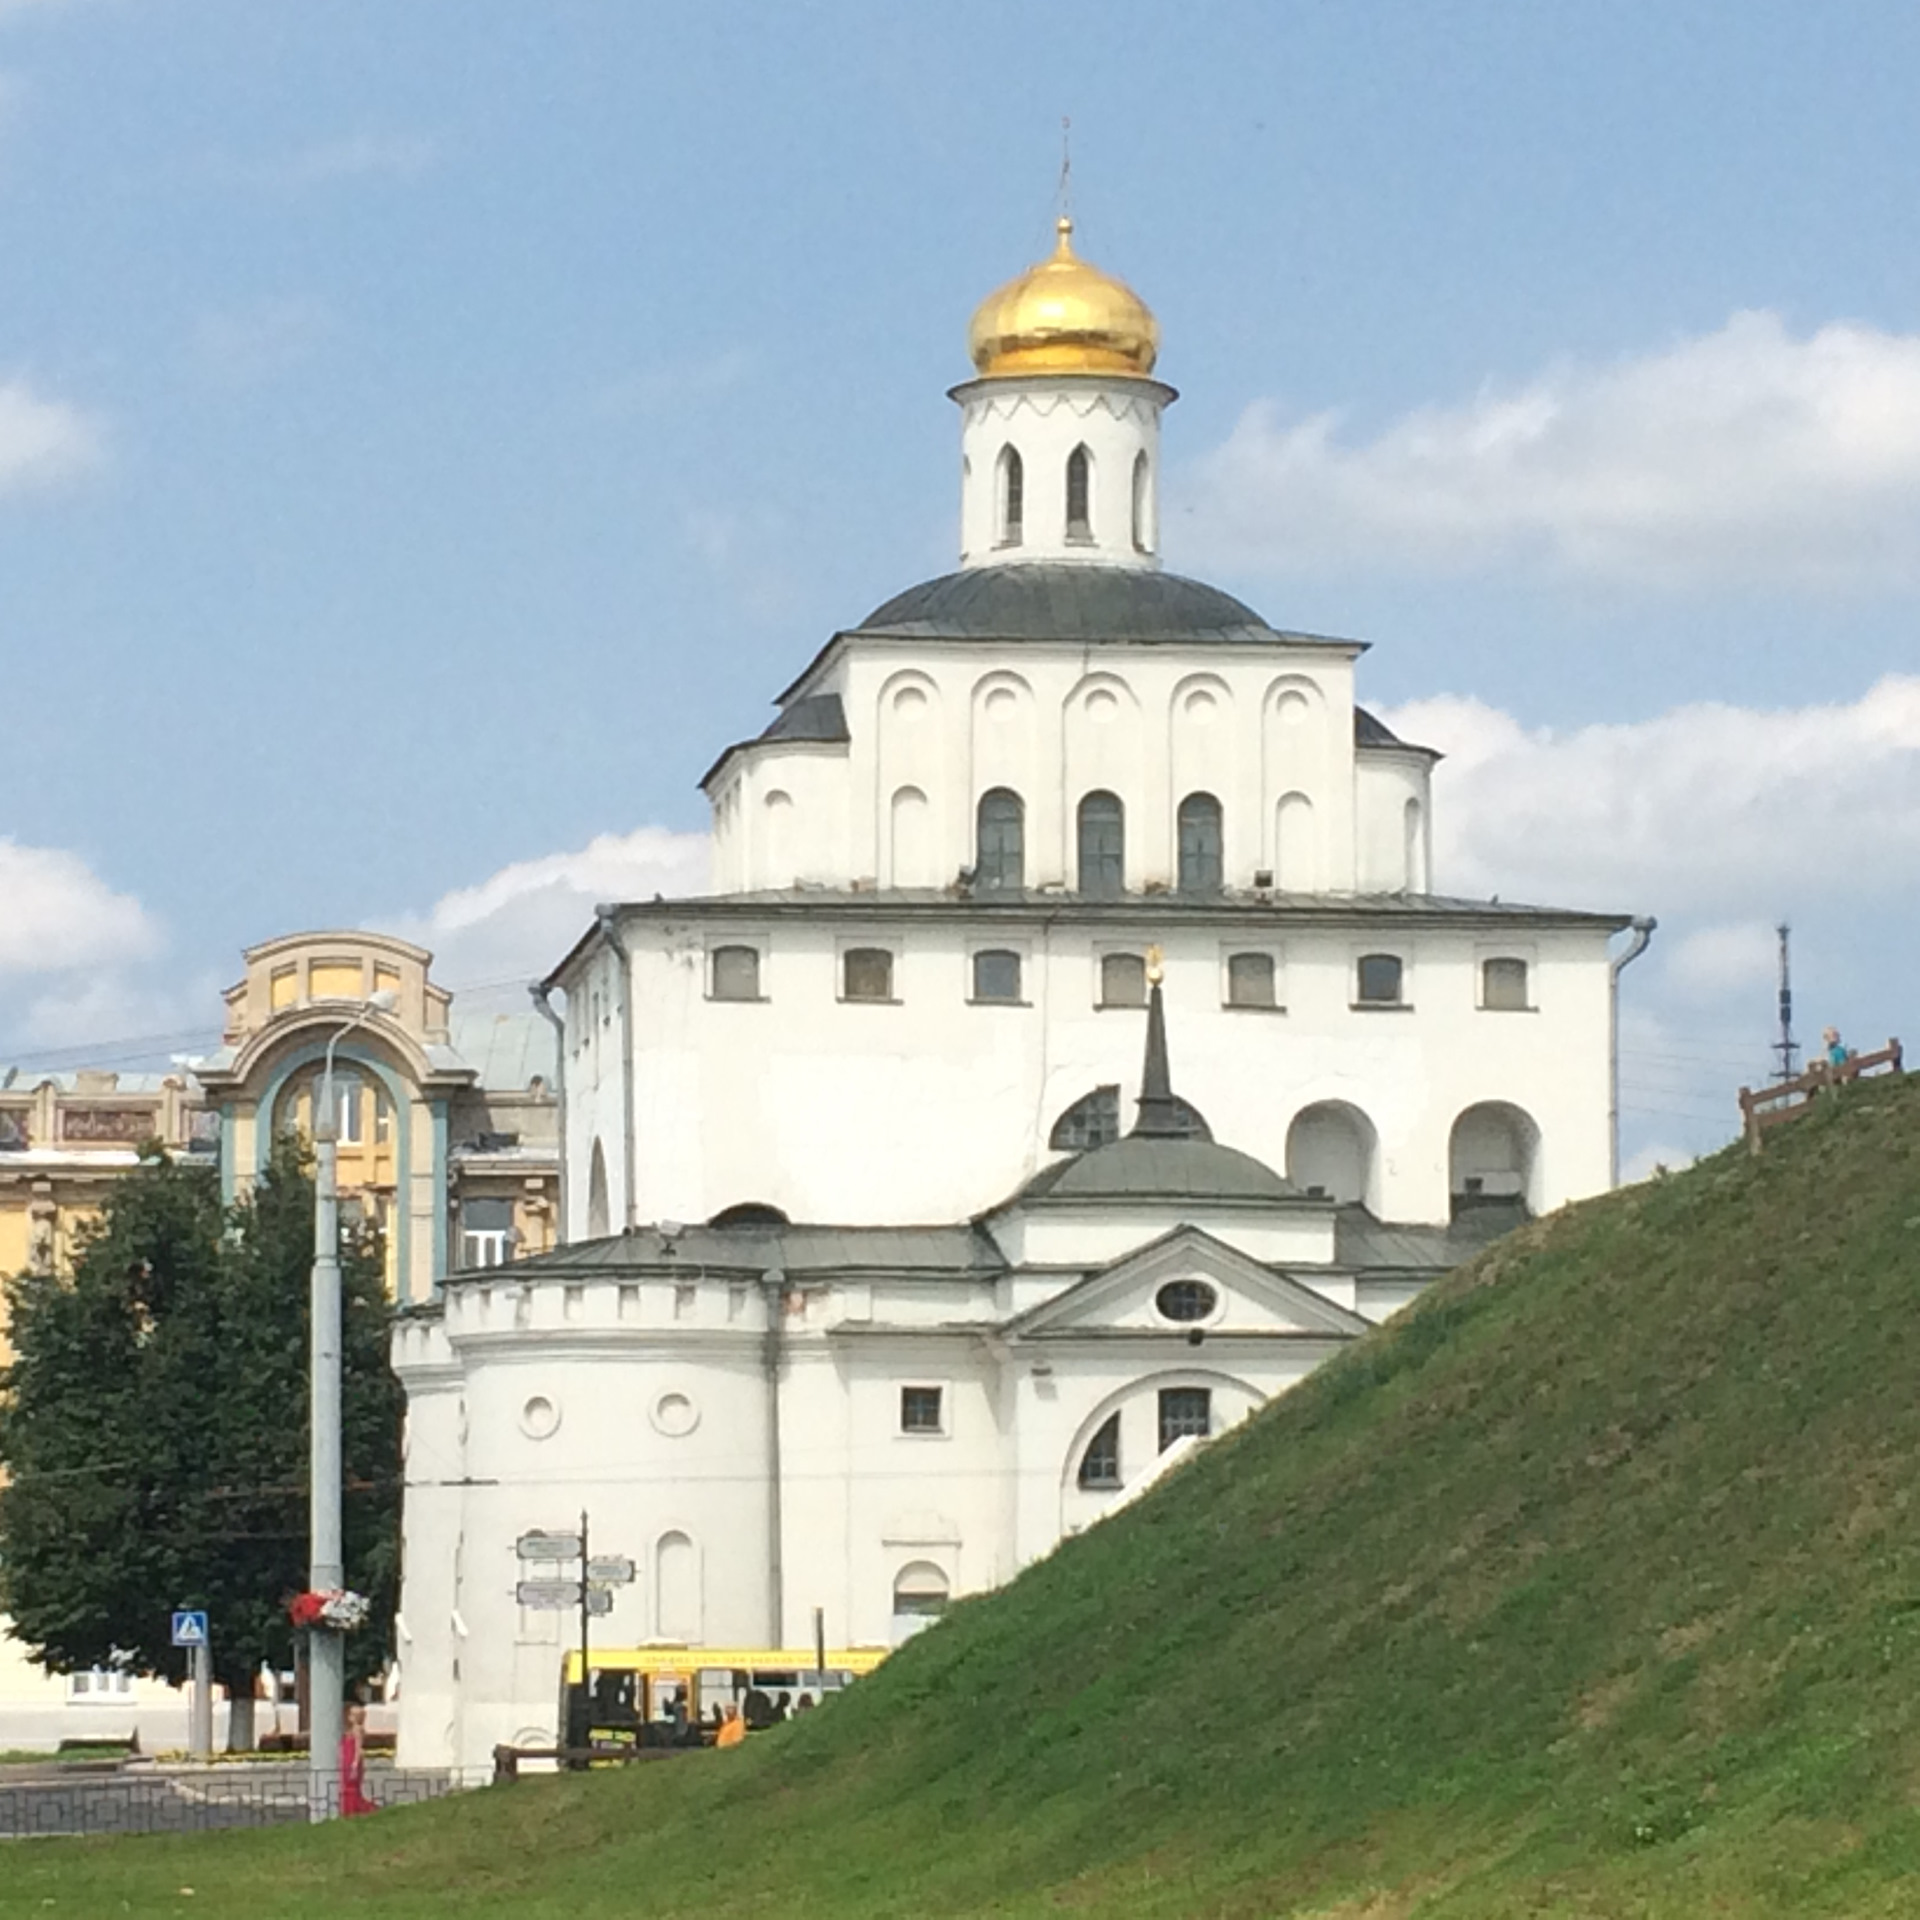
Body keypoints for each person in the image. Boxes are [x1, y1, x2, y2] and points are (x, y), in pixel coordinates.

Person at [340, 1701, 376, 1816]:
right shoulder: (349, 1730)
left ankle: (354, 1808)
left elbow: (358, 1747)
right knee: (346, 1786)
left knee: (351, 1787)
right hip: (346, 1759)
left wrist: (355, 1763)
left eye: (352, 1715)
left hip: (351, 1760)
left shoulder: (357, 1730)